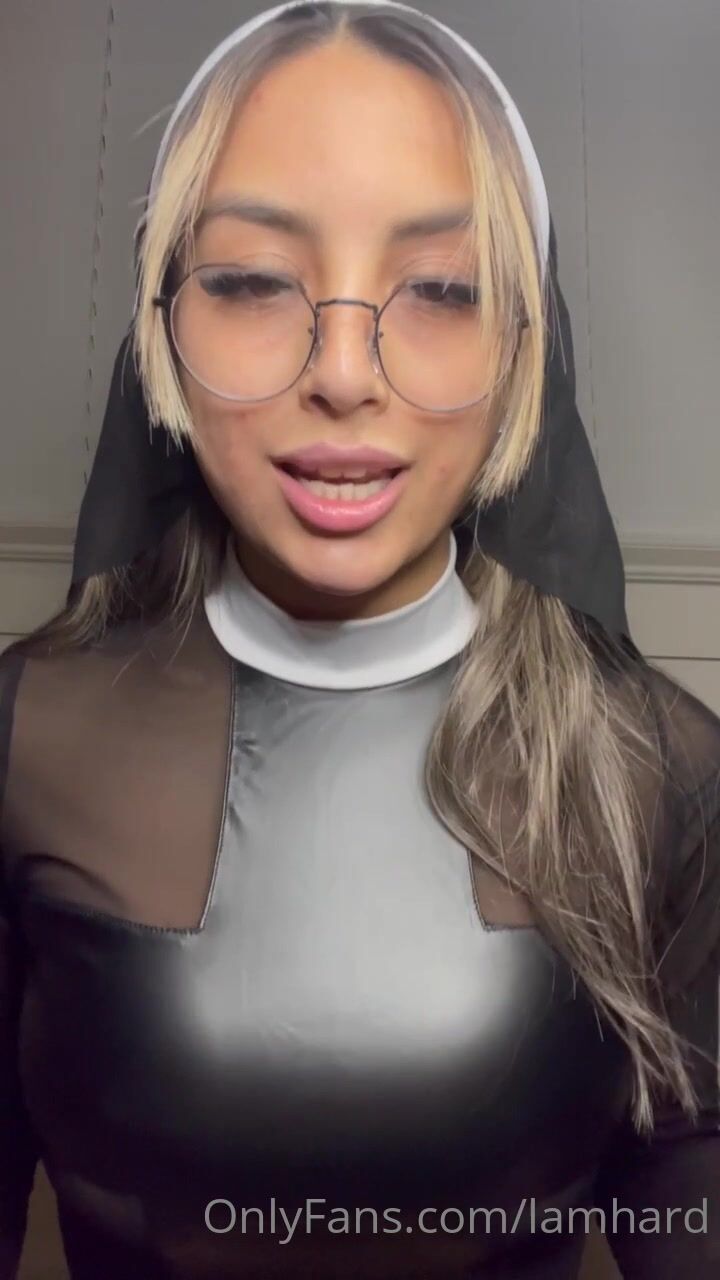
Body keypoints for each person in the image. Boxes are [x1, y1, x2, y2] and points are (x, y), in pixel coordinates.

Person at [1, 2, 719, 1278]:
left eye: (442, 288)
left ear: (526, 347)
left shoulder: (656, 767)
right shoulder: (27, 735)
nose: (342, 369)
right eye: (251, 279)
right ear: (162, 324)